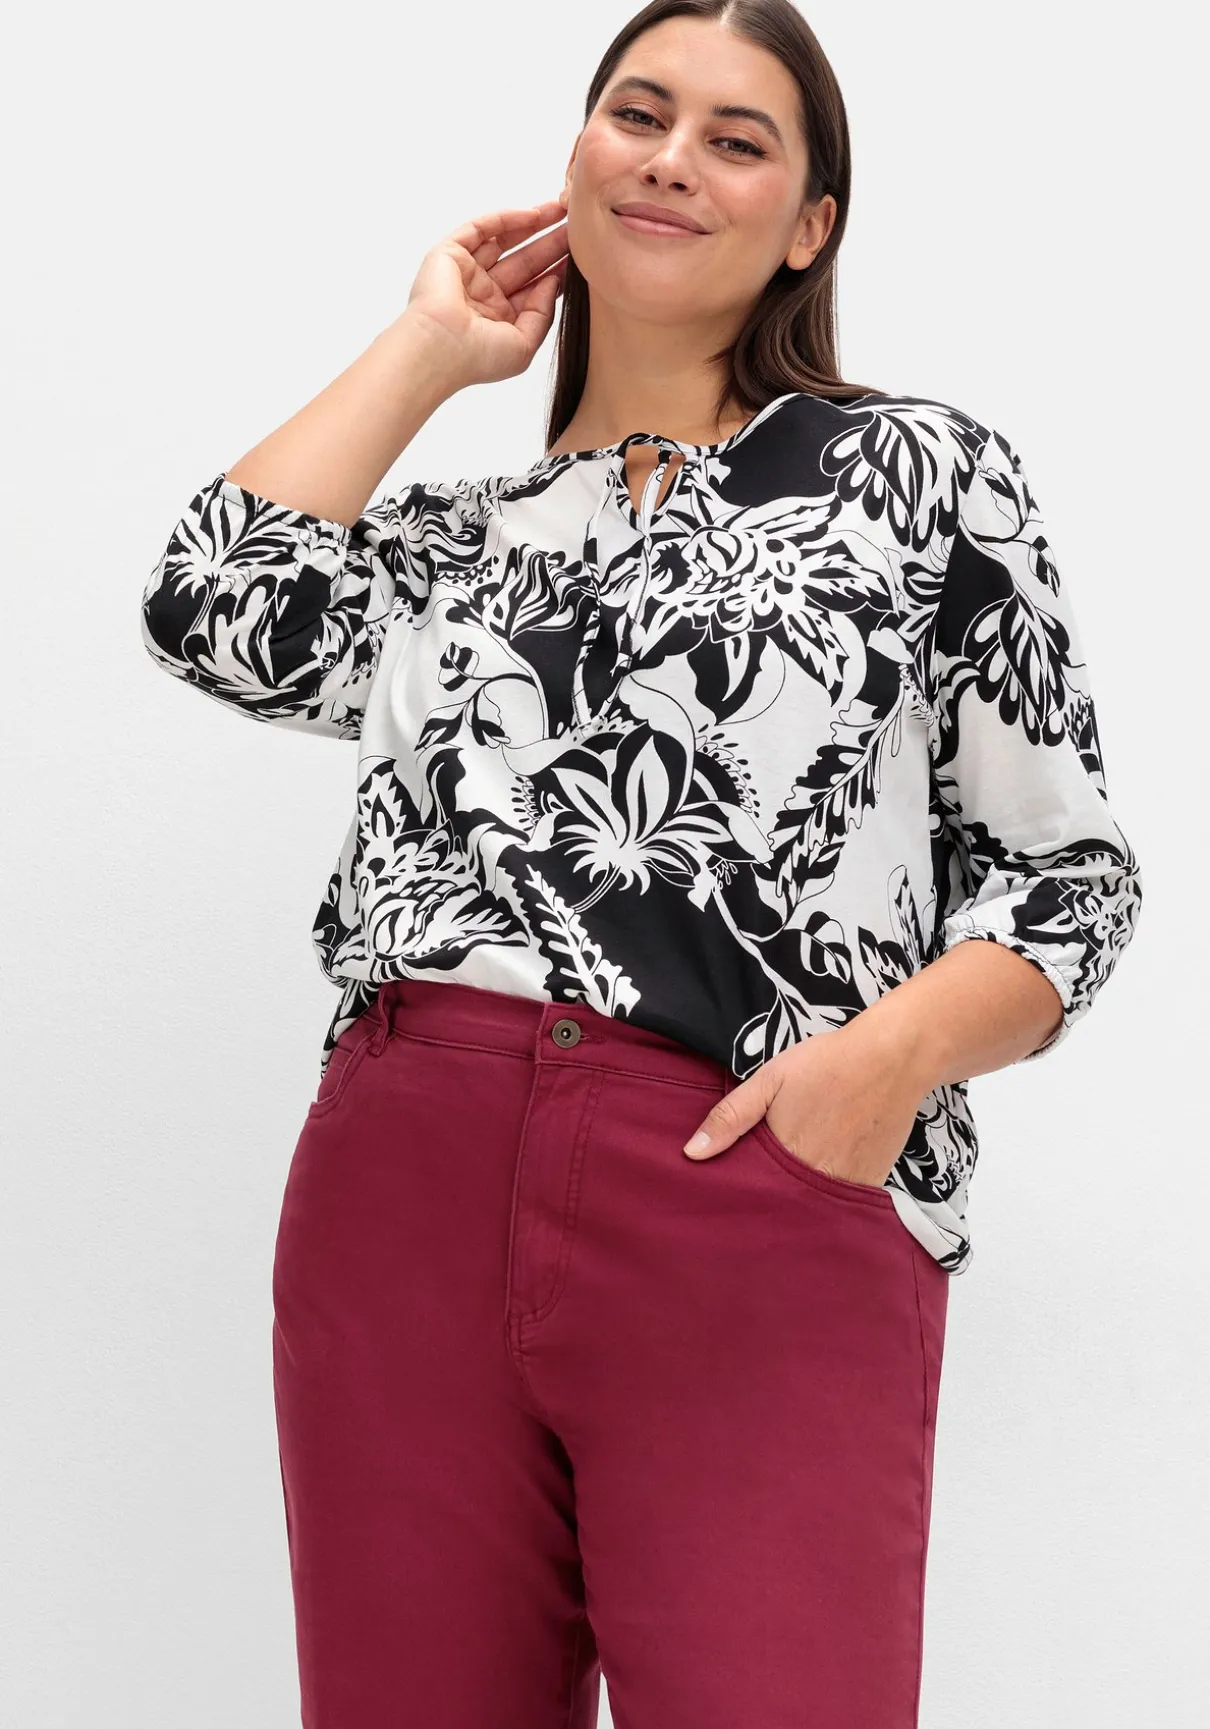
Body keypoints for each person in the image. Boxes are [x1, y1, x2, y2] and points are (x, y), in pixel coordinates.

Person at [138, 3, 1143, 1725]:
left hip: (751, 1170)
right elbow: (207, 607)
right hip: (405, 1179)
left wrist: (873, 1072)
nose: (671, 160)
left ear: (808, 225)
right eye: (636, 114)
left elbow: (1072, 881)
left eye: (735, 141)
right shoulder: (453, 540)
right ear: (575, 157)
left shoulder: (911, 478)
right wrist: (428, 347)